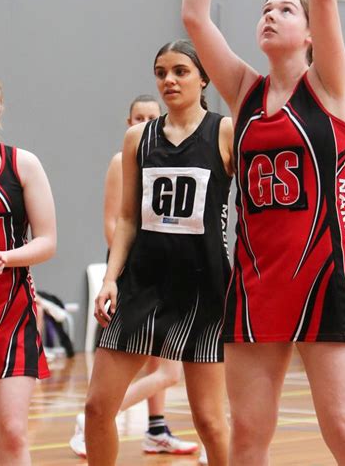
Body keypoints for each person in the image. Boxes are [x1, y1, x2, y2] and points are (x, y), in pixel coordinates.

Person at [182, 0, 345, 466]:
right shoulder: (243, 90)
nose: (270, 16)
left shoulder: (328, 87)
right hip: (255, 280)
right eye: (265, 10)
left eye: (283, 11)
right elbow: (195, 18)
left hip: (325, 274)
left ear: (309, 36)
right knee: (248, 437)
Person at [84, 40, 233, 466]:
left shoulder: (224, 131)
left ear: (203, 78)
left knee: (209, 421)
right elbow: (128, 217)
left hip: (204, 291)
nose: (169, 79)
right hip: (142, 286)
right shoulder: (138, 138)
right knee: (97, 408)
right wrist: (112, 276)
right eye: (161, 71)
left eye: (180, 71)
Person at [69, 94, 199, 458]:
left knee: (159, 362)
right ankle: (93, 417)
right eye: (137, 117)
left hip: (170, 273)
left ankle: (156, 429)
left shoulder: (171, 160)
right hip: (134, 273)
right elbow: (115, 223)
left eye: (151, 117)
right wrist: (130, 266)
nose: (144, 123)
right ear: (128, 124)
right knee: (170, 371)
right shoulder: (121, 161)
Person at [0, 69, 57, 466]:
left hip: (12, 315)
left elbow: (47, 241)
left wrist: (2, 258)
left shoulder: (22, 164)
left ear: (1, 108)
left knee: (11, 431)